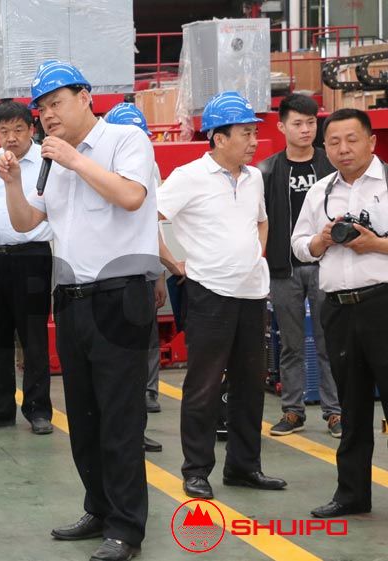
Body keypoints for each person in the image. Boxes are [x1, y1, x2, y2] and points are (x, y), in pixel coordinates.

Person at [0, 61, 158, 561]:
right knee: (84, 418)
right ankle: (99, 508)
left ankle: (126, 528)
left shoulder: (125, 140)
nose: (47, 114)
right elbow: (26, 222)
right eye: (41, 108)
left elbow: (131, 196)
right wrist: (12, 183)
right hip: (70, 300)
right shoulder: (52, 161)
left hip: (120, 297)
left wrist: (73, 159)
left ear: (85, 97)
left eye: (56, 102)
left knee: (120, 420)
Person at [157, 91, 287, 504]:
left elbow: (262, 222)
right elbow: (147, 217)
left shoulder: (253, 178)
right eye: (245, 133)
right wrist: (173, 263)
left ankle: (244, 466)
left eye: (254, 132)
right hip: (209, 294)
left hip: (252, 294)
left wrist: (254, 256)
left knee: (250, 385)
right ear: (218, 137)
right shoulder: (188, 177)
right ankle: (196, 470)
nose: (254, 141)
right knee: (204, 385)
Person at [291, 109, 388, 519]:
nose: (343, 149)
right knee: (351, 405)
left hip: (383, 304)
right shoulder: (320, 191)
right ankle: (352, 494)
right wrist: (321, 240)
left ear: (372, 142)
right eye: (333, 142)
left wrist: (375, 245)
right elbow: (298, 246)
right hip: (338, 309)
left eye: (351, 139)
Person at [0, 100, 54, 436]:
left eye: (18, 129)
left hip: (32, 257)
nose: (11, 137)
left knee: (33, 336)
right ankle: (0, 408)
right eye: (4, 131)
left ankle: (38, 410)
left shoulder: (47, 161)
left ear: (32, 129)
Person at [257, 94, 340, 438]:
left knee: (329, 342)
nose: (306, 129)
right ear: (281, 127)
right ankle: (293, 411)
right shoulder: (267, 171)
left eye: (311, 123)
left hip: (326, 265)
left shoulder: (331, 167)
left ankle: (335, 413)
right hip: (284, 269)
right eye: (298, 123)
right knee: (290, 344)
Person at [103, 102, 167, 454]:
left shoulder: (148, 166)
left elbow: (150, 222)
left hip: (138, 276)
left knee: (141, 352)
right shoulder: (99, 166)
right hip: (107, 282)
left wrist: (158, 274)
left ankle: (139, 420)